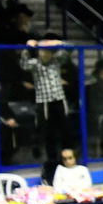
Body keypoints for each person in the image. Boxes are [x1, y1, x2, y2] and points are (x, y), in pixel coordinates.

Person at [21, 37, 70, 169]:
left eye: (48, 51)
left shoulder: (56, 61)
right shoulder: (35, 64)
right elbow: (24, 64)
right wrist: (27, 48)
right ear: (39, 52)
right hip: (45, 103)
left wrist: (59, 43)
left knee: (65, 130)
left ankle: (66, 159)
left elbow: (68, 51)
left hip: (59, 100)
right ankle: (52, 162)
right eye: (43, 51)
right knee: (49, 133)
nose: (46, 53)